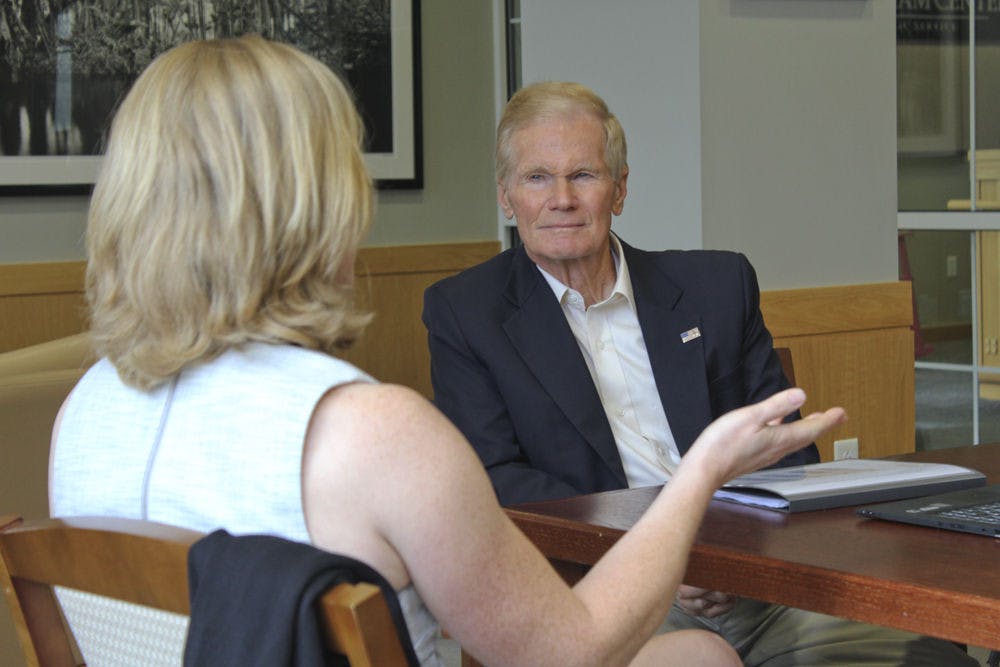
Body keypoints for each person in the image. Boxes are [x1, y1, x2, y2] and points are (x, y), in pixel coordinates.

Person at [47, 37, 843, 667]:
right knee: (701, 656)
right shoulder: (369, 431)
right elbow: (573, 649)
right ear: (319, 201)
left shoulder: (85, 413)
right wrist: (702, 469)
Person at [421, 81, 978, 665]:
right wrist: (661, 551)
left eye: (583, 175)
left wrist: (732, 561)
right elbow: (494, 477)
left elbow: (784, 455)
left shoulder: (716, 289)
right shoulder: (467, 311)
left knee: (928, 652)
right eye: (537, 177)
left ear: (621, 188)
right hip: (602, 587)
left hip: (756, 581)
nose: (561, 199)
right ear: (507, 195)